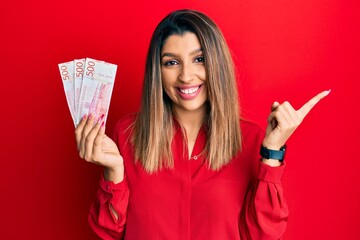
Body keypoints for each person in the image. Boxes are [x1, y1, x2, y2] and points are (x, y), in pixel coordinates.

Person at [75, 9, 329, 240]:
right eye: (171, 62)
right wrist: (114, 171)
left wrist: (272, 152)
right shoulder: (127, 134)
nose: (186, 75)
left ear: (216, 64)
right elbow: (108, 231)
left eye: (199, 59)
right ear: (157, 71)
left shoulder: (250, 140)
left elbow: (263, 235)